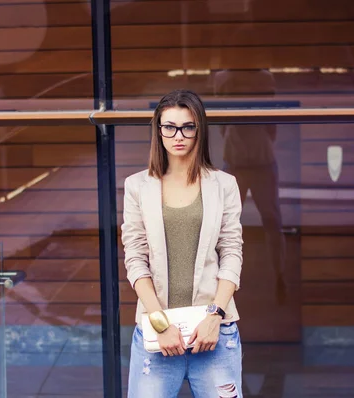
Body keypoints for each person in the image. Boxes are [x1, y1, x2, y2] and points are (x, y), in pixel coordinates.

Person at [121, 89, 244, 398]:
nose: (178, 135)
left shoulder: (223, 185)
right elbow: (135, 259)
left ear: (199, 130)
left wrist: (215, 316)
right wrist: (160, 324)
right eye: (169, 127)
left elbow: (231, 252)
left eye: (188, 127)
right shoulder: (137, 187)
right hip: (158, 336)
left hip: (213, 332)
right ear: (158, 130)